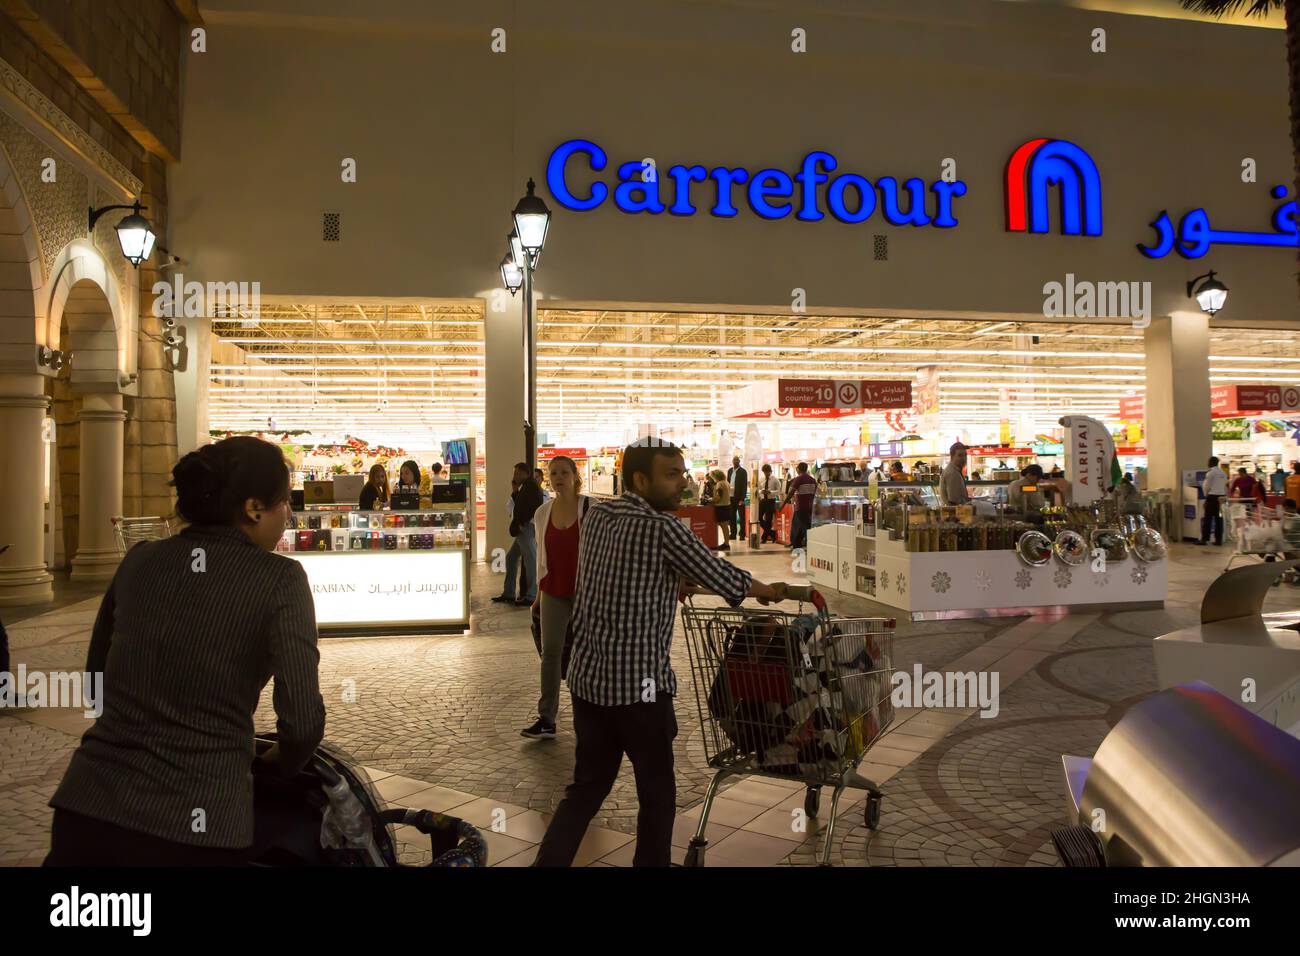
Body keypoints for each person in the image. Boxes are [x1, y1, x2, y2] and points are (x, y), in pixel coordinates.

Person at [44, 437, 325, 866]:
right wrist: (272, 763)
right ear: (253, 508)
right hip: (195, 827)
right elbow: (302, 724)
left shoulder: (140, 560)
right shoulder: (280, 580)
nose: (288, 515)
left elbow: (96, 684)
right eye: (284, 502)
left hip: (88, 809)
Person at [534, 439, 788, 867]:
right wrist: (768, 590)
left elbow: (620, 570)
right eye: (671, 474)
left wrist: (669, 581)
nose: (682, 483)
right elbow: (723, 575)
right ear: (640, 479)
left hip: (588, 680)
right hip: (641, 689)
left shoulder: (598, 515)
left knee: (587, 788)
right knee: (656, 787)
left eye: (682, 473)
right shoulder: (664, 529)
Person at [521, 456, 591, 740]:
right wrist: (538, 595)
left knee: (586, 653)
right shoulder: (542, 513)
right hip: (552, 588)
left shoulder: (590, 509)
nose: (558, 477)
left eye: (564, 472)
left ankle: (588, 716)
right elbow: (541, 558)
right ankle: (547, 718)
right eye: (553, 473)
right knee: (551, 653)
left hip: (585, 591)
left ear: (575, 475)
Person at [494, 463, 544, 606]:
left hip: (526, 528)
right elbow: (520, 504)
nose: (514, 476)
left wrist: (522, 521)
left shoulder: (532, 487)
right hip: (523, 527)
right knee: (511, 558)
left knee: (530, 559)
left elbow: (534, 506)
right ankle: (509, 593)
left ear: (525, 473)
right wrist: (515, 491)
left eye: (517, 473)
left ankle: (532, 594)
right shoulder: (526, 487)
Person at [781, 461, 818, 550]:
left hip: (800, 507)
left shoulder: (798, 479)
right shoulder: (813, 480)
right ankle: (797, 544)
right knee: (803, 525)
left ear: (798, 469)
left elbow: (790, 493)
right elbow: (815, 493)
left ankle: (808, 544)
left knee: (801, 526)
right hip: (810, 507)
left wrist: (783, 504)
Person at [1201, 455, 1228, 546]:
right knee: (1219, 519)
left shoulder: (1210, 473)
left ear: (1210, 463)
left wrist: (1206, 497)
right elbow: (1225, 486)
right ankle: (1218, 540)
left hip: (1212, 498)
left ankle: (1204, 539)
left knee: (1208, 518)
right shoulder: (1223, 473)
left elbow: (1206, 486)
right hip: (1222, 499)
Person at [939, 442, 969, 506]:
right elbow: (954, 502)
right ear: (952, 456)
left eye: (965, 455)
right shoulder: (952, 473)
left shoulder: (955, 471)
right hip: (954, 513)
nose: (963, 458)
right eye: (960, 455)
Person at [757, 463, 781, 544]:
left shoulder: (775, 479)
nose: (766, 474)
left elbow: (779, 491)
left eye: (767, 472)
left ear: (770, 471)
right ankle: (771, 533)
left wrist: (770, 492)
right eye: (764, 472)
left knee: (768, 520)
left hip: (771, 501)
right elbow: (758, 490)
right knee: (758, 518)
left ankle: (764, 538)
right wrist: (761, 491)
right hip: (763, 500)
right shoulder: (761, 479)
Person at [728, 456, 748, 547]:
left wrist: (742, 499)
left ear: (739, 461)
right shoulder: (729, 471)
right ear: (732, 461)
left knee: (741, 516)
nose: (735, 461)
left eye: (737, 460)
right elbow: (728, 483)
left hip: (739, 497)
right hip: (730, 497)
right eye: (734, 460)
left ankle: (742, 535)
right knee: (732, 517)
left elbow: (744, 486)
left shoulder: (743, 472)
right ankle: (733, 534)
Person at [710, 468, 732, 551]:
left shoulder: (719, 484)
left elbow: (719, 496)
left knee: (723, 526)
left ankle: (726, 544)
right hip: (727, 506)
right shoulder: (726, 483)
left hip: (721, 507)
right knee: (725, 526)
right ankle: (726, 543)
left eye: (713, 477)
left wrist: (712, 500)